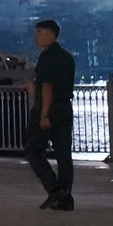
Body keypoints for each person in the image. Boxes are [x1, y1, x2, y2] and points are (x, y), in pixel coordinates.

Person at [24, 18, 76, 211]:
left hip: (49, 109)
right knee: (63, 155)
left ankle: (54, 190)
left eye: (39, 33)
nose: (36, 37)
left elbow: (47, 87)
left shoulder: (47, 57)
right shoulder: (67, 57)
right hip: (65, 108)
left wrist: (44, 114)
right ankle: (65, 197)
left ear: (49, 35)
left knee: (33, 150)